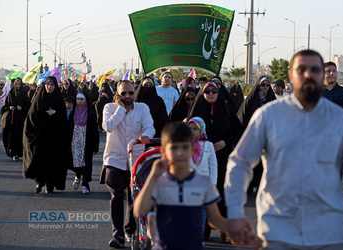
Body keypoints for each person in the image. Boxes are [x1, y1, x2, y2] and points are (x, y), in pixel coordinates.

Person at [225, 50, 343, 249]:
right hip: (278, 228)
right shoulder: (268, 116)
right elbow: (240, 163)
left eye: (314, 69)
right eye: (301, 69)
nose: (308, 74)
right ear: (290, 75)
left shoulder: (341, 120)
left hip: (329, 230)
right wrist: (234, 212)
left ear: (322, 75)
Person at [133, 122, 233, 250]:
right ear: (164, 151)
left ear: (193, 150)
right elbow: (139, 211)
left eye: (184, 147)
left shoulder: (204, 183)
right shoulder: (159, 182)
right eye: (174, 148)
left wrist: (237, 229)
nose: (179, 153)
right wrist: (153, 176)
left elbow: (215, 220)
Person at [99, 80, 155, 248]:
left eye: (130, 93)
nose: (128, 96)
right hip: (114, 159)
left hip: (136, 160)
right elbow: (108, 126)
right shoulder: (110, 108)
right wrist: (121, 109)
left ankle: (130, 230)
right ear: (118, 94)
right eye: (123, 93)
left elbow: (150, 127)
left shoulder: (142, 108)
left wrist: (145, 135)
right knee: (116, 195)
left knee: (133, 197)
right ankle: (118, 236)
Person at [187, 80, 243, 242]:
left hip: (222, 156)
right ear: (202, 93)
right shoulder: (197, 109)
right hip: (200, 158)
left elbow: (238, 131)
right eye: (207, 91)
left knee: (221, 192)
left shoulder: (226, 109)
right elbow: (188, 132)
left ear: (219, 92)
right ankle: (203, 229)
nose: (211, 94)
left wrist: (226, 142)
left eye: (214, 91)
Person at [23, 76, 68, 194]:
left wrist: (55, 112)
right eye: (48, 84)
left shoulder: (58, 100)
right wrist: (43, 115)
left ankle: (50, 184)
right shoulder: (39, 98)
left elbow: (63, 117)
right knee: (39, 158)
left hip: (54, 137)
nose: (49, 87)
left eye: (52, 85)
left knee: (52, 161)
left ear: (55, 86)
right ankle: (40, 182)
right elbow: (31, 116)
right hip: (41, 136)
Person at [236, 76, 276, 194]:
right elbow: (242, 116)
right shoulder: (251, 99)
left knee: (264, 163)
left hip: (267, 137)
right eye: (262, 85)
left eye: (267, 85)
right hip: (252, 136)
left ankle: (260, 186)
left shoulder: (272, 99)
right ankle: (249, 185)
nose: (265, 87)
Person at [187, 117, 218, 234]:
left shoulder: (209, 145)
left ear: (201, 130)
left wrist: (213, 183)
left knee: (202, 212)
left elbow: (213, 165)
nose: (192, 131)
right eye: (189, 129)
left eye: (195, 129)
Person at [66, 91, 99, 194]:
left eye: (81, 99)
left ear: (86, 100)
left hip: (86, 141)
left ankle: (85, 183)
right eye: (78, 99)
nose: (79, 102)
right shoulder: (73, 113)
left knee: (86, 162)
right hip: (75, 141)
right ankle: (77, 176)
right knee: (75, 161)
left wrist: (95, 146)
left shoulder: (90, 114)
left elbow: (94, 131)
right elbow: (68, 129)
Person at [0, 78, 29, 161]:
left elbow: (29, 107)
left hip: (21, 120)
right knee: (12, 137)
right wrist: (10, 107)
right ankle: (14, 153)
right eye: (16, 84)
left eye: (19, 84)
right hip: (12, 120)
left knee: (20, 137)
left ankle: (19, 153)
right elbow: (4, 107)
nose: (18, 86)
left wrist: (22, 108)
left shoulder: (24, 95)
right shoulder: (10, 94)